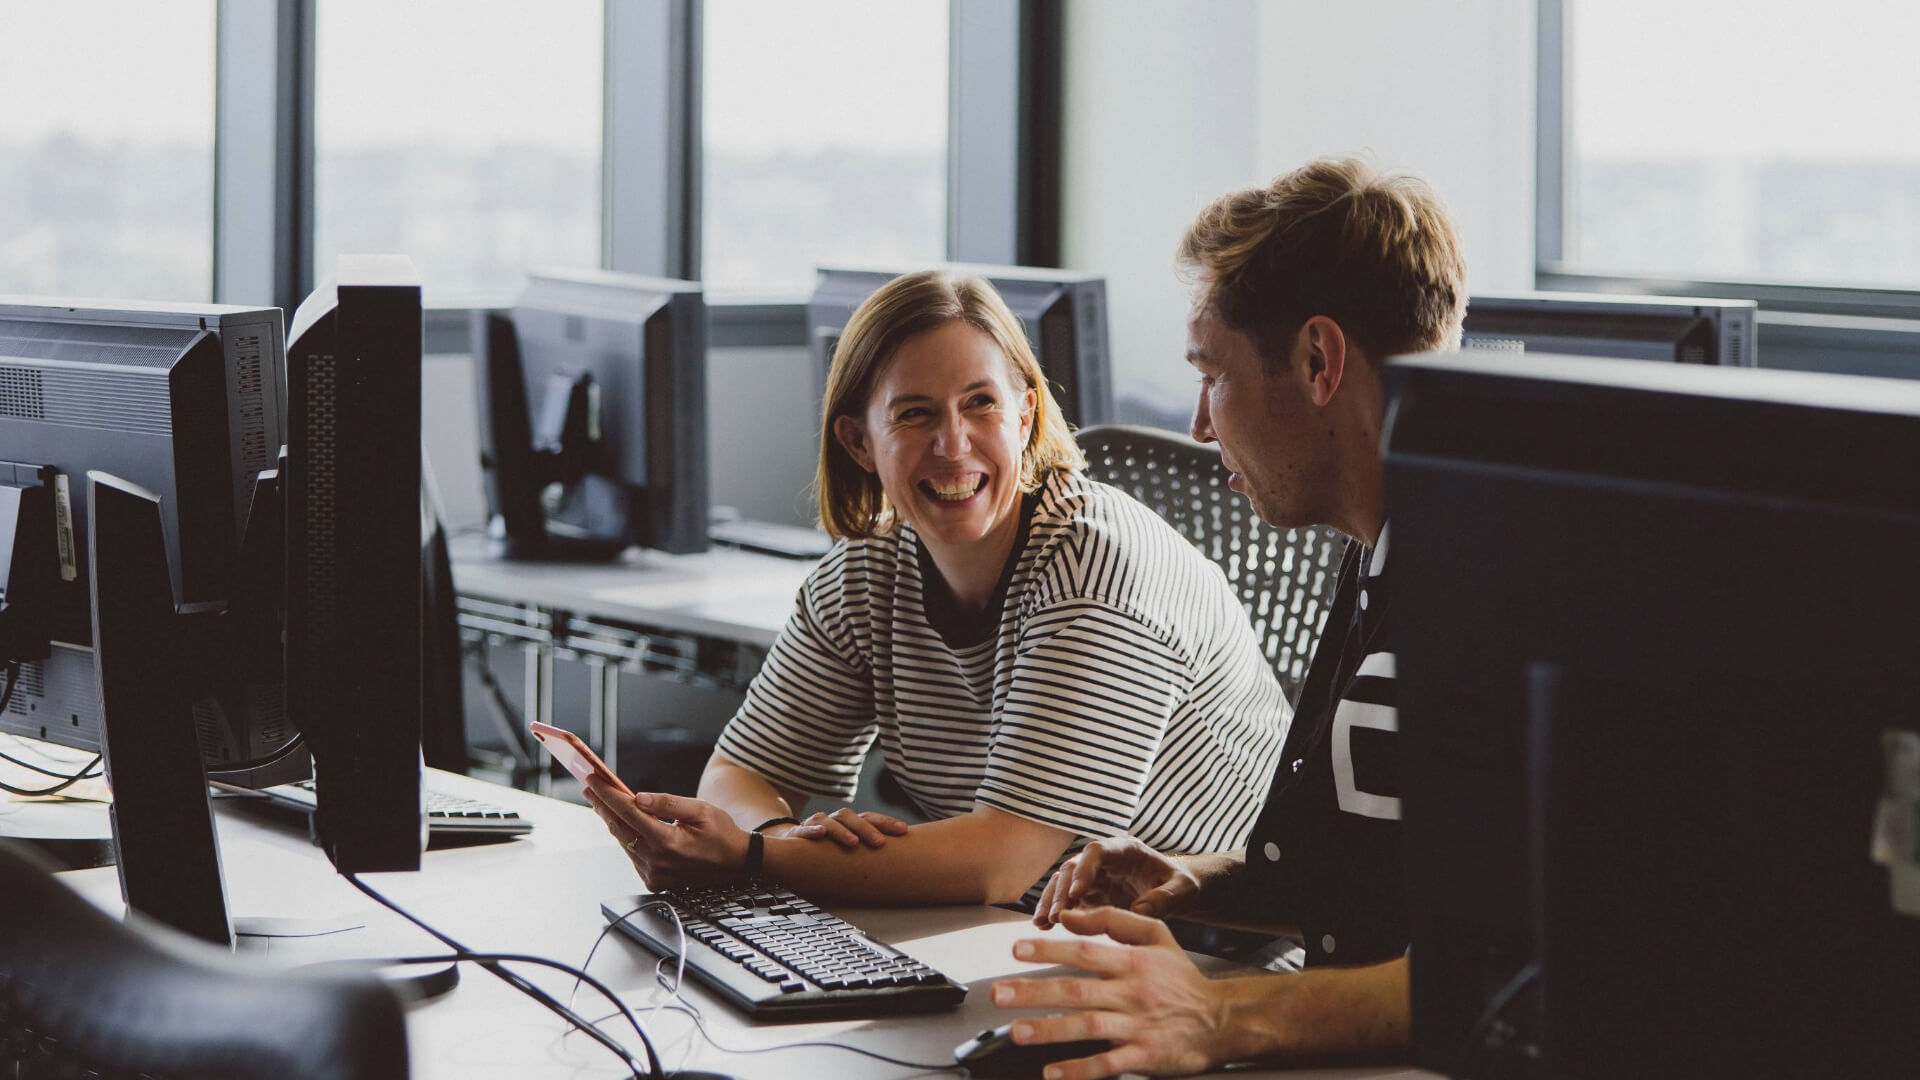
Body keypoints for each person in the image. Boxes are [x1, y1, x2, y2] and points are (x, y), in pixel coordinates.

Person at [585, 270, 1290, 907]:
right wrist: (774, 838)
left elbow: (1000, 862)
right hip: (1028, 933)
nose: (953, 445)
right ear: (859, 443)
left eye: (980, 404)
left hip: (1217, 952)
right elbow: (743, 772)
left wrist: (755, 858)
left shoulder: (1097, 568)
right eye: (914, 413)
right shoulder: (866, 573)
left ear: (1026, 417)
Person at [987, 157, 1468, 1077]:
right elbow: (1379, 887)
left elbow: (1521, 966)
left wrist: (1218, 1014)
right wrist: (1197, 880)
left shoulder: (1497, 588)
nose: (1201, 427)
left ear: (1319, 362)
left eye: (1212, 375)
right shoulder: (1382, 548)